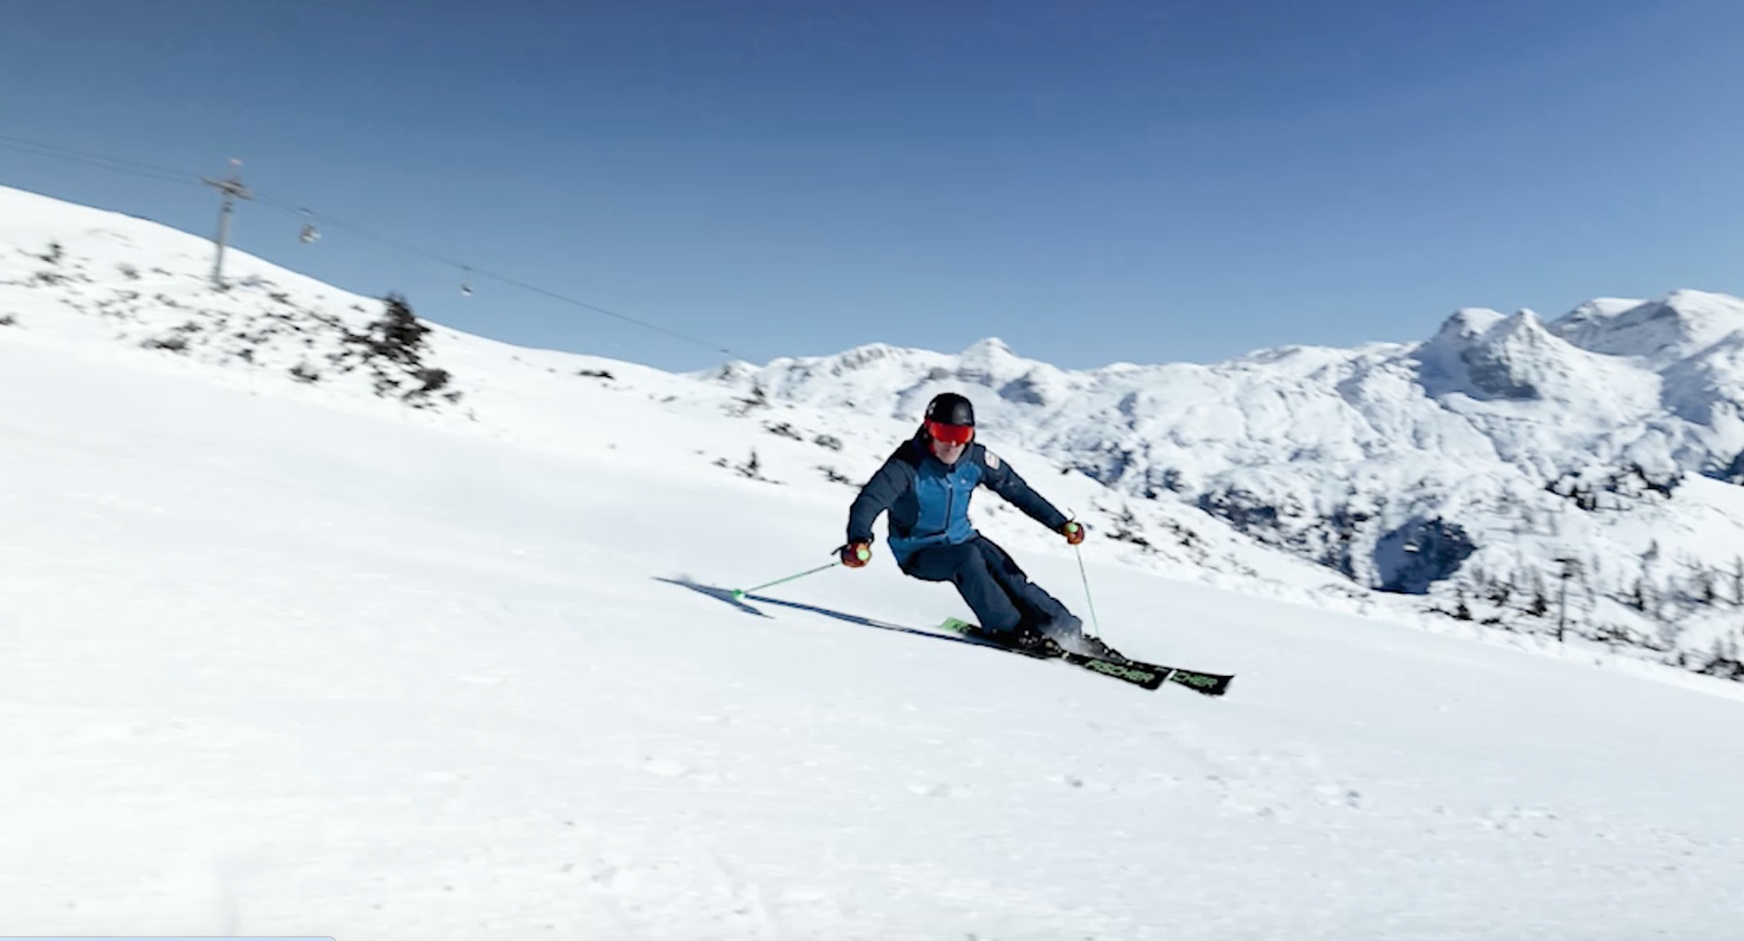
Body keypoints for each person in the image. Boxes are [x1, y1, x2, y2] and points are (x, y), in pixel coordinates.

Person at [839, 392, 1118, 659]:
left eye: (961, 435)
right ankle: (1010, 628)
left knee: (1005, 570)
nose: (952, 444)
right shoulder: (905, 465)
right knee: (968, 560)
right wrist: (859, 539)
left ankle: (1066, 630)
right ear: (928, 430)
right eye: (944, 434)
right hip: (918, 552)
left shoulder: (976, 459)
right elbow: (869, 501)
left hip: (962, 538)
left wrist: (1060, 523)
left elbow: (1018, 491)